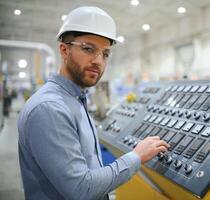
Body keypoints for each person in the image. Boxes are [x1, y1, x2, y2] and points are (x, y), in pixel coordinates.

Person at [18, 6, 169, 200]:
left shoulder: (75, 99)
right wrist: (136, 156)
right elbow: (82, 189)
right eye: (88, 49)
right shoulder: (49, 108)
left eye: (105, 54)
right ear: (64, 50)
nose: (98, 61)